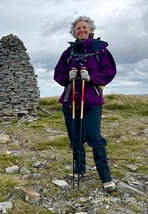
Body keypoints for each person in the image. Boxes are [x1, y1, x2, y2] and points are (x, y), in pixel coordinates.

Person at [54, 16, 117, 192]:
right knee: (75, 138)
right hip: (70, 102)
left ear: (90, 29)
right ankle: (79, 169)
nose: (81, 30)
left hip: (92, 101)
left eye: (84, 27)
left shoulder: (100, 50)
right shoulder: (68, 52)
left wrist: (92, 78)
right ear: (74, 32)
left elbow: (109, 71)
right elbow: (58, 74)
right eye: (78, 28)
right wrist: (68, 77)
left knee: (94, 138)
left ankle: (106, 177)